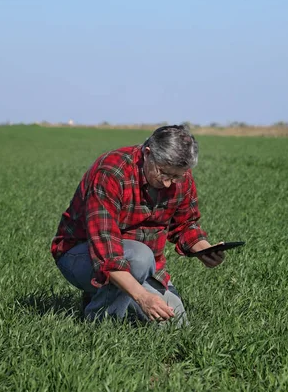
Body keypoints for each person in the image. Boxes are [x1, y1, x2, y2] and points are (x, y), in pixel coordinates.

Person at [51, 124, 224, 325]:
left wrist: (204, 250)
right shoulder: (112, 172)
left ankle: (105, 294)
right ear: (147, 153)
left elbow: (185, 224)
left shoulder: (179, 176)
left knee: (175, 321)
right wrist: (143, 297)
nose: (169, 183)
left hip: (144, 265)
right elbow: (107, 253)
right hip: (83, 255)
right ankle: (100, 324)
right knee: (140, 257)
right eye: (164, 173)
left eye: (177, 176)